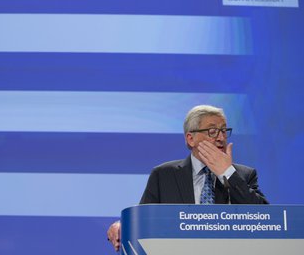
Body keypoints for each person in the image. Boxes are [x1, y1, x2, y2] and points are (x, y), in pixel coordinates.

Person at [106, 105, 269, 251]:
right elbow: (144, 218)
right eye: (212, 131)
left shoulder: (243, 175)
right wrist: (124, 226)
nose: (220, 138)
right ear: (190, 138)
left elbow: (266, 219)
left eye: (224, 131)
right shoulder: (163, 175)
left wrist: (227, 173)